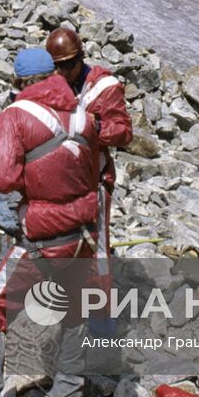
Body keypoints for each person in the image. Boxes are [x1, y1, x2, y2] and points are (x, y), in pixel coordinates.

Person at [0, 47, 101, 397]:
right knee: (76, 311)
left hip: (42, 239)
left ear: (22, 82)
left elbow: (1, 179)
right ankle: (70, 396)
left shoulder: (15, 116)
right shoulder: (83, 117)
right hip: (82, 235)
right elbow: (91, 174)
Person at [46, 27, 133, 272]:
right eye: (57, 67)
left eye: (68, 65)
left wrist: (93, 126)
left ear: (80, 60)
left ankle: (98, 300)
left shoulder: (105, 88)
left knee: (96, 247)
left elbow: (124, 133)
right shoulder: (54, 82)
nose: (62, 73)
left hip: (94, 178)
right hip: (60, 178)